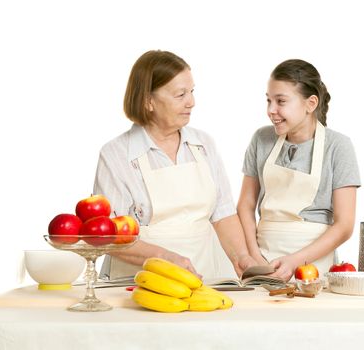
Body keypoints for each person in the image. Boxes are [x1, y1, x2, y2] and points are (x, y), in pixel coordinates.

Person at [94, 50, 257, 281]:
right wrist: (164, 257)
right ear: (148, 101)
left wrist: (241, 256)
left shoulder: (203, 145)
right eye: (180, 94)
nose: (191, 102)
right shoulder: (116, 155)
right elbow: (109, 236)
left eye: (191, 91)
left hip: (206, 277)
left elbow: (223, 214)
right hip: (140, 282)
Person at [237, 59, 361, 282]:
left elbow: (344, 225)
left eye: (281, 101)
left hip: (313, 266)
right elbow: (245, 205)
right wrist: (255, 257)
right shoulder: (261, 139)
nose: (271, 110)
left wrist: (296, 261)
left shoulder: (338, 147)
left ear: (310, 104)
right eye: (268, 100)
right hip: (263, 261)